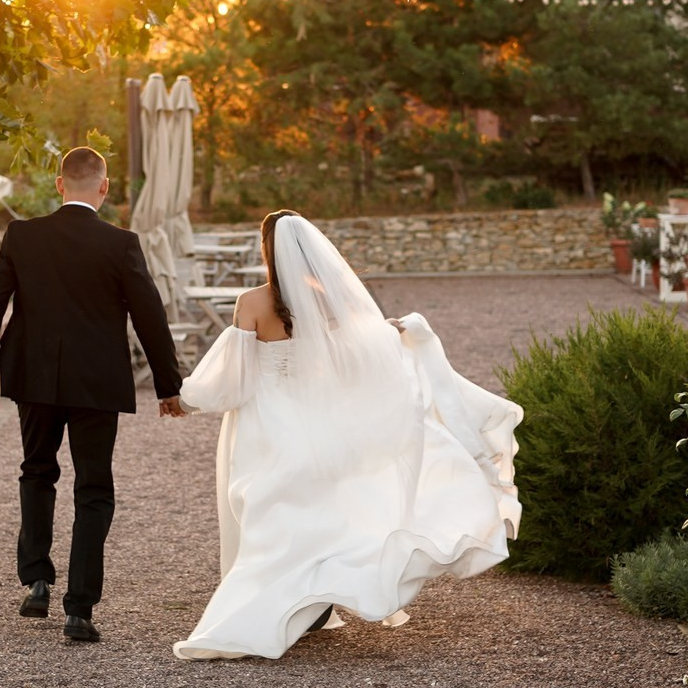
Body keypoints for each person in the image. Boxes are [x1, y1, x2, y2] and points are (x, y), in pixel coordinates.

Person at [172, 209, 521, 661]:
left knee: (270, 515)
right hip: (318, 419)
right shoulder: (330, 299)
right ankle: (311, 604)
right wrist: (399, 334)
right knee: (322, 508)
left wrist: (186, 398)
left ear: (266, 250)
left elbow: (231, 381)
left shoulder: (251, 303)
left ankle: (273, 611)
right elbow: (361, 354)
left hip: (268, 422)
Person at [0, 147, 185, 644]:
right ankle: (79, 609)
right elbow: (151, 316)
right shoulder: (121, 243)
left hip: (34, 379)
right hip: (96, 383)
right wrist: (168, 387)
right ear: (103, 188)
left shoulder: (23, 235)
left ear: (59, 185)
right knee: (93, 490)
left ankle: (37, 581)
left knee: (37, 471)